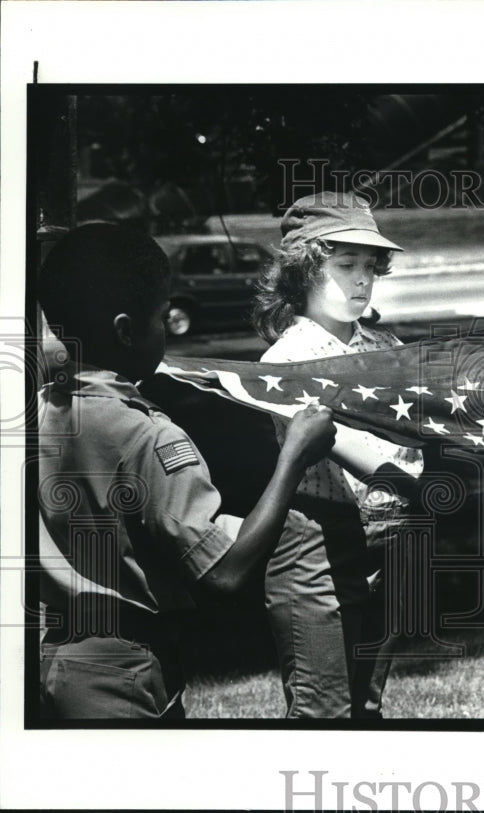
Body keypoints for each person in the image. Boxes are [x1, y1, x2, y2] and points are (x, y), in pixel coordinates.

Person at [36, 223, 338, 719]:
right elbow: (224, 571)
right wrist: (293, 460)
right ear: (126, 331)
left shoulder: (39, 413)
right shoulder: (150, 436)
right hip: (124, 673)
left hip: (49, 655)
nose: (165, 330)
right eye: (161, 317)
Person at [252, 191, 422, 719]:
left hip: (389, 537)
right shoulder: (285, 361)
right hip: (319, 543)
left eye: (370, 266)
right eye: (345, 264)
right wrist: (414, 479)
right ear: (303, 273)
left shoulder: (386, 347)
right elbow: (337, 442)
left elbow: (417, 435)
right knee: (321, 709)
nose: (362, 279)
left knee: (367, 704)